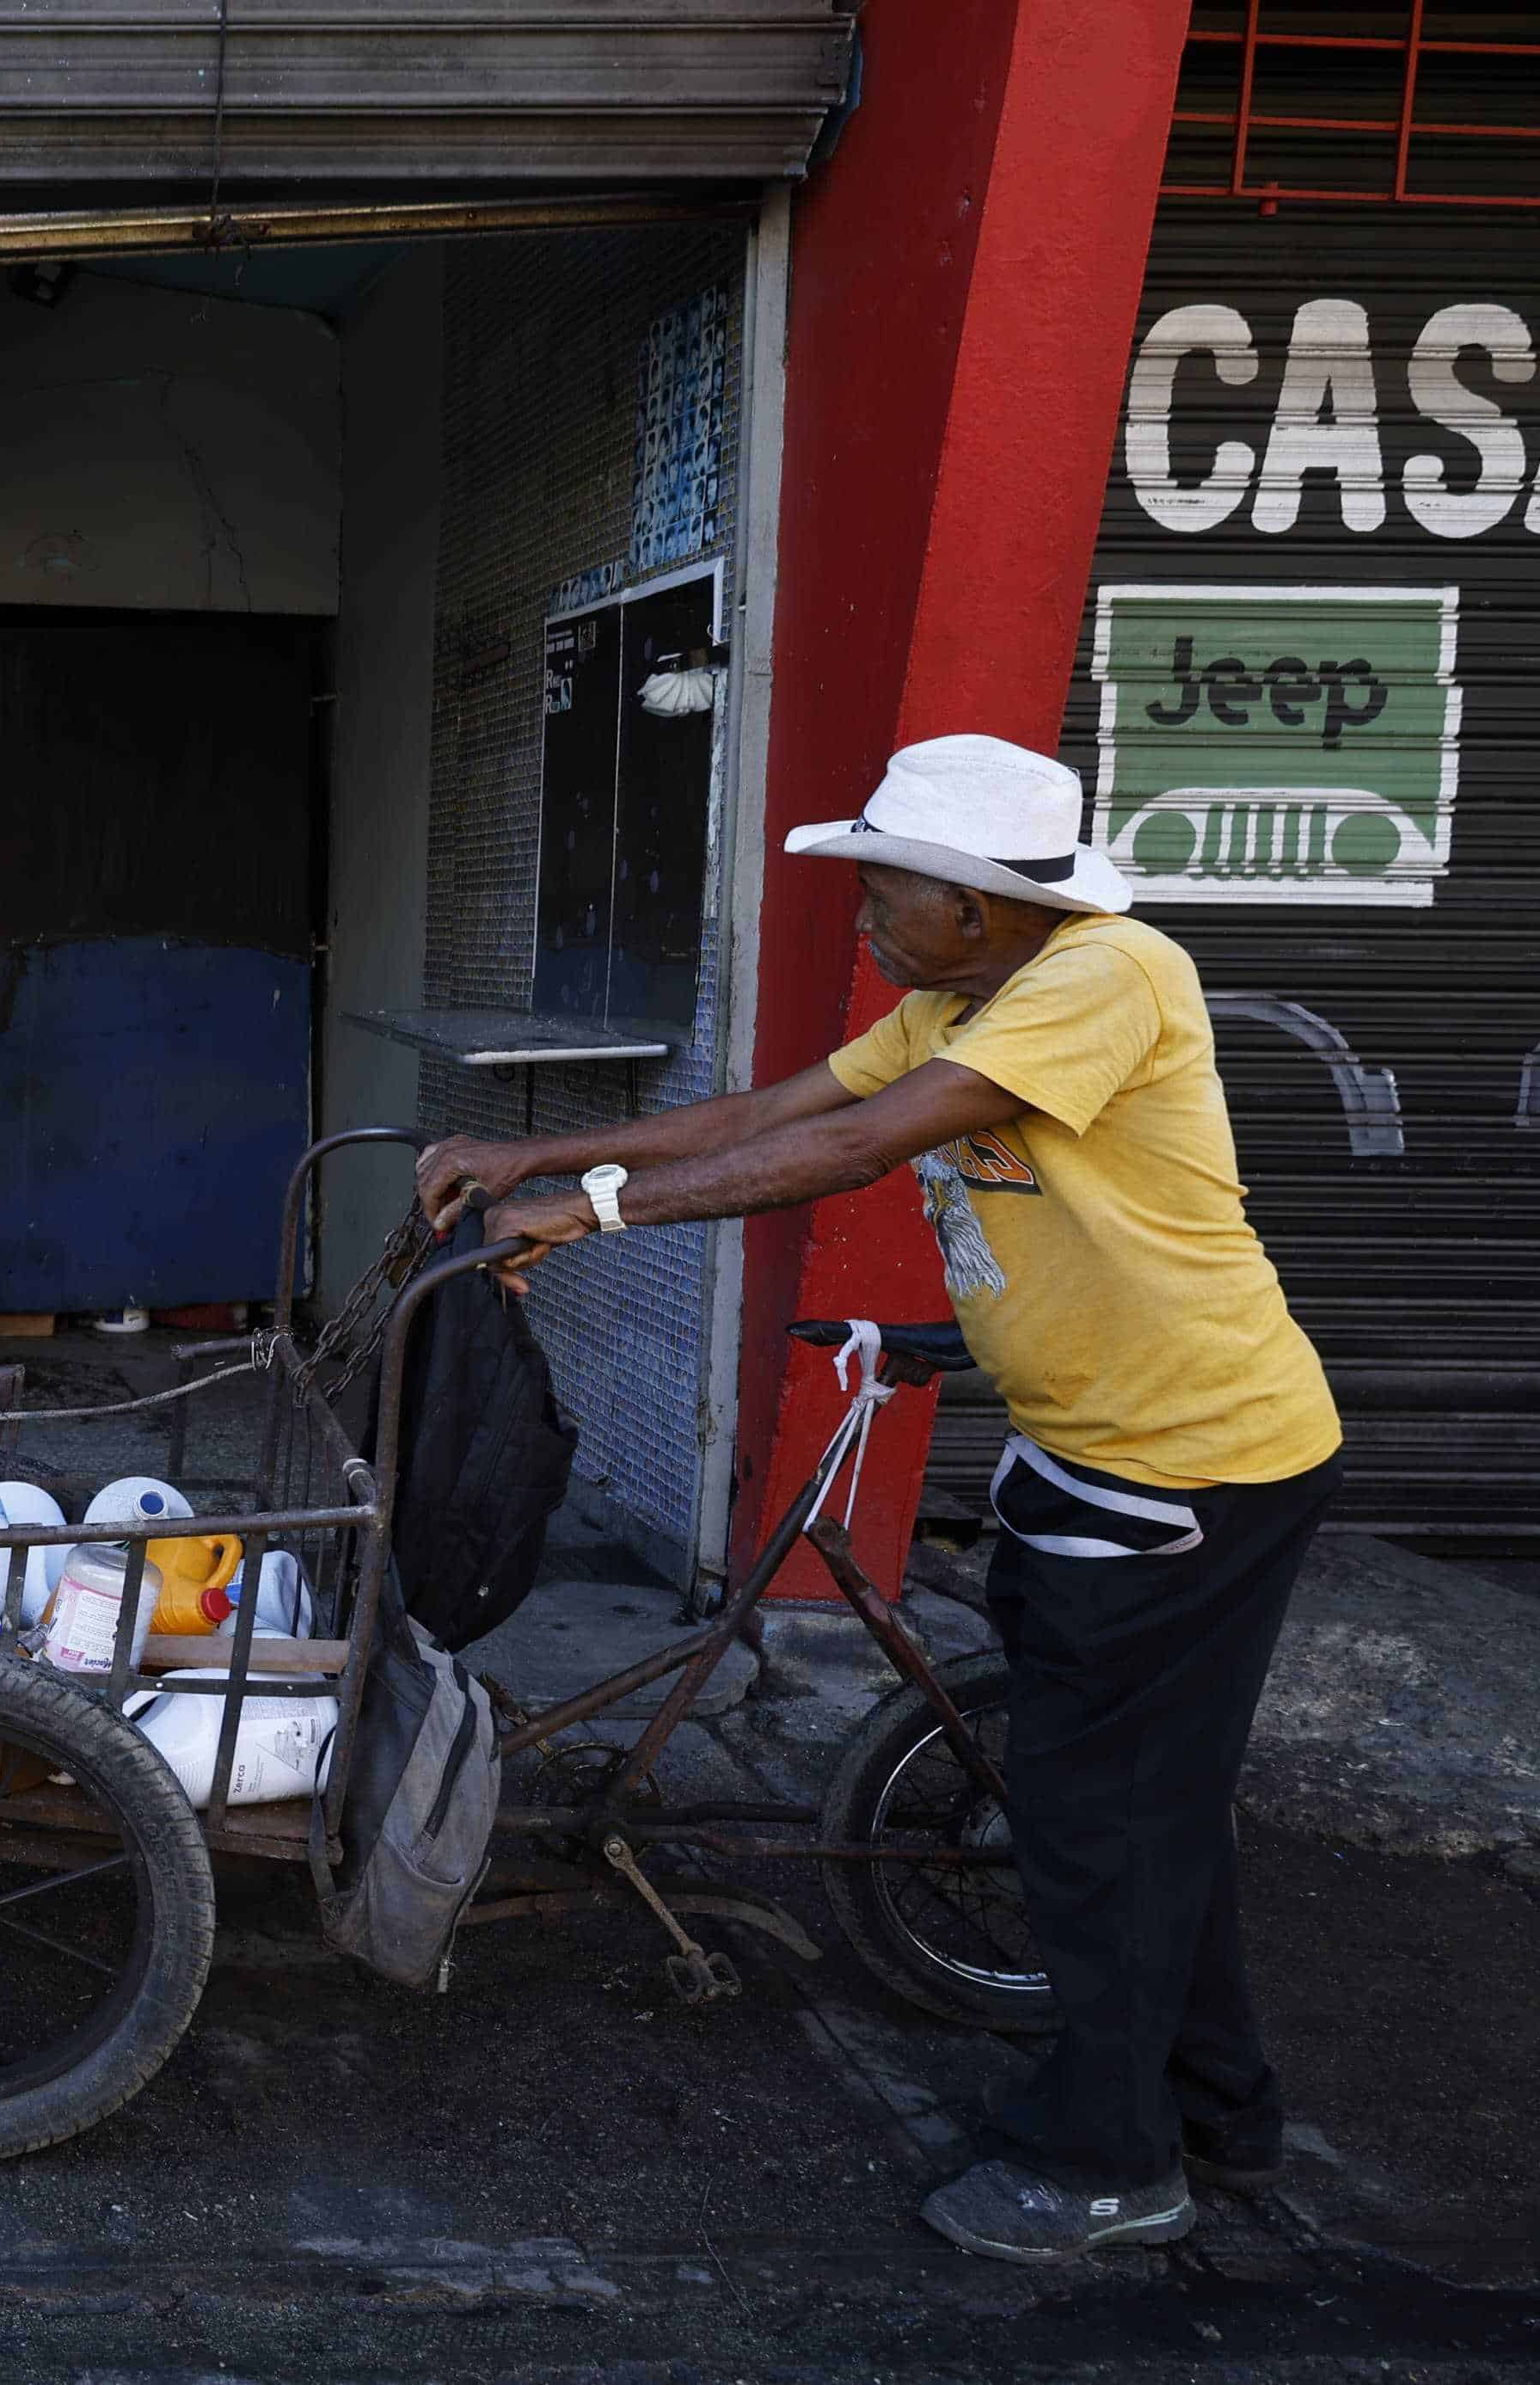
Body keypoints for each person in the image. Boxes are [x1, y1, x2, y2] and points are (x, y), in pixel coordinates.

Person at [414, 733, 1342, 2267]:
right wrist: (543, 1149)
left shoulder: (1109, 975)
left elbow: (848, 1152)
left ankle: (1114, 2162)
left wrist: (584, 1214)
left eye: (883, 888)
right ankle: (1218, 2108)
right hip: (1094, 1456)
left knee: (1099, 1824)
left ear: (979, 904)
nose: (861, 915)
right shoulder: (956, 997)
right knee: (1139, 1808)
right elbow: (769, 1114)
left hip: (1196, 1464)